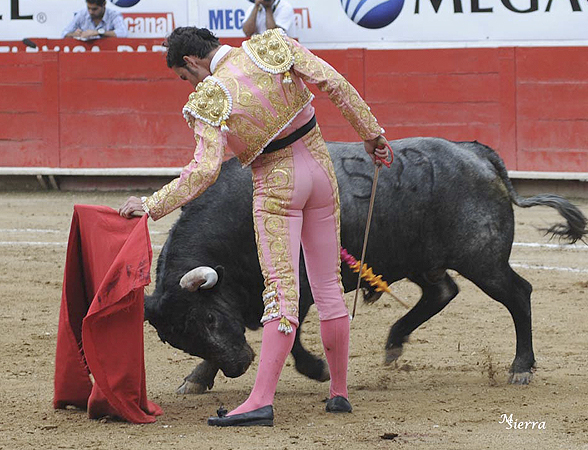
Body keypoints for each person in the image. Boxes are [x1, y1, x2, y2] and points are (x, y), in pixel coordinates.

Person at [119, 26, 389, 427]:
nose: (190, 83)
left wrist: (151, 204)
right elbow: (334, 83)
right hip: (321, 171)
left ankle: (260, 401)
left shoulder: (211, 95)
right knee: (329, 287)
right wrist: (371, 135)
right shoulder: (272, 45)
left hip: (277, 186)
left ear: (191, 61)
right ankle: (339, 393)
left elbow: (205, 171)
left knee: (281, 292)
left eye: (185, 76)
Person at [62, 0, 128, 40]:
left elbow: (123, 33)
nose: (90, 12)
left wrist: (98, 32)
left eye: (94, 9)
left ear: (104, 4)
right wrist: (74, 34)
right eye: (88, 8)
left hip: (108, 54)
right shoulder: (82, 14)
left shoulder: (114, 15)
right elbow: (64, 33)